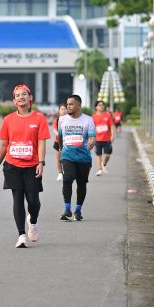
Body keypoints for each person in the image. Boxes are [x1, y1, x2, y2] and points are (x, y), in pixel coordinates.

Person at [0, 84, 50, 248]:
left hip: (32, 165)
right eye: (17, 95)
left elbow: (41, 142)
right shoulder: (8, 120)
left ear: (30, 98)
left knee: (33, 201)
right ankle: (21, 235)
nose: (21, 97)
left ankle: (33, 221)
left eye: (24, 94)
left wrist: (41, 162)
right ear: (14, 100)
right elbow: (4, 144)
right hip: (12, 165)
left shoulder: (39, 118)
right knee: (17, 198)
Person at [58, 94, 96, 222]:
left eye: (71, 104)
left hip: (83, 157)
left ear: (79, 105)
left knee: (81, 183)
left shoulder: (88, 120)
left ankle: (78, 210)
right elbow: (60, 137)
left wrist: (91, 143)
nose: (68, 106)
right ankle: (67, 210)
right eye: (67, 104)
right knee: (67, 179)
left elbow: (92, 136)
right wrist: (61, 148)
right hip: (67, 155)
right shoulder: (62, 119)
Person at [92, 100, 115, 176]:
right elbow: (92, 128)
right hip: (97, 139)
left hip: (107, 139)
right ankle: (99, 170)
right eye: (99, 105)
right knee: (98, 155)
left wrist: (112, 135)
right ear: (96, 107)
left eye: (102, 105)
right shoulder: (93, 117)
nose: (101, 106)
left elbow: (111, 126)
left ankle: (104, 163)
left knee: (107, 155)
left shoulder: (108, 115)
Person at [52, 103, 67, 181]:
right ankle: (60, 173)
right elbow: (54, 129)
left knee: (67, 159)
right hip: (58, 142)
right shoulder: (57, 120)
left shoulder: (70, 120)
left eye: (65, 109)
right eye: (62, 109)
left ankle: (67, 172)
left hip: (68, 143)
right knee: (59, 159)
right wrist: (59, 134)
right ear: (59, 111)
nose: (63, 111)